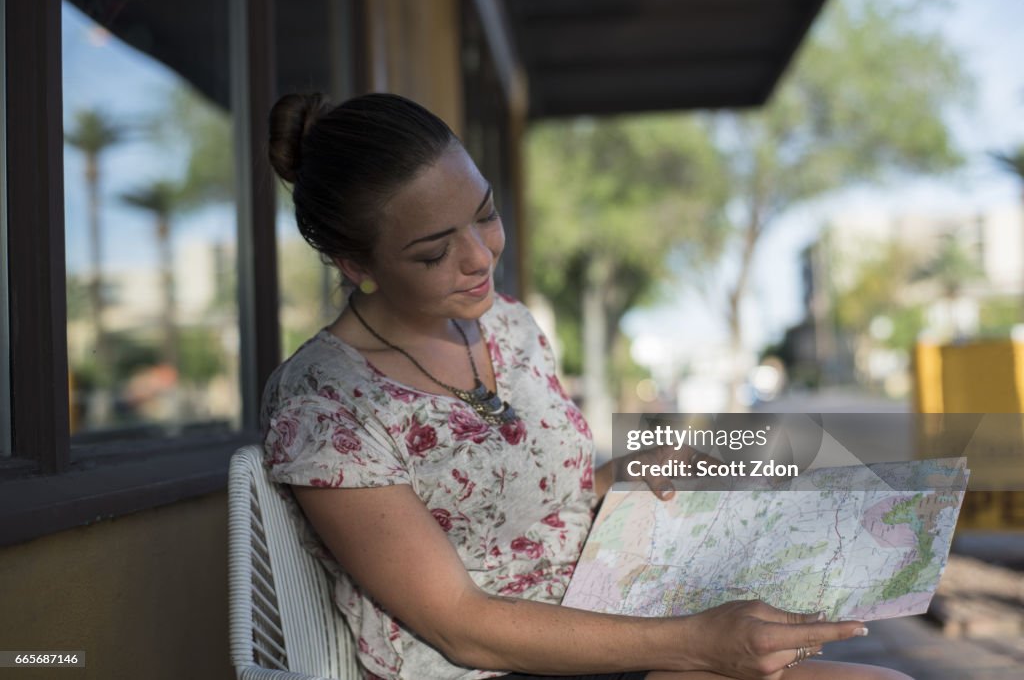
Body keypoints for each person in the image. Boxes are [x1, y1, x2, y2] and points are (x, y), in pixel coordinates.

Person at [260, 92, 912, 680]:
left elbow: (515, 503)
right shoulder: (326, 401)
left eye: (484, 215)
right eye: (434, 252)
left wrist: (621, 473)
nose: (481, 256)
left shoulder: (507, 325)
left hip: (610, 617)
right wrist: (698, 643)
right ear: (356, 265)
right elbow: (458, 624)